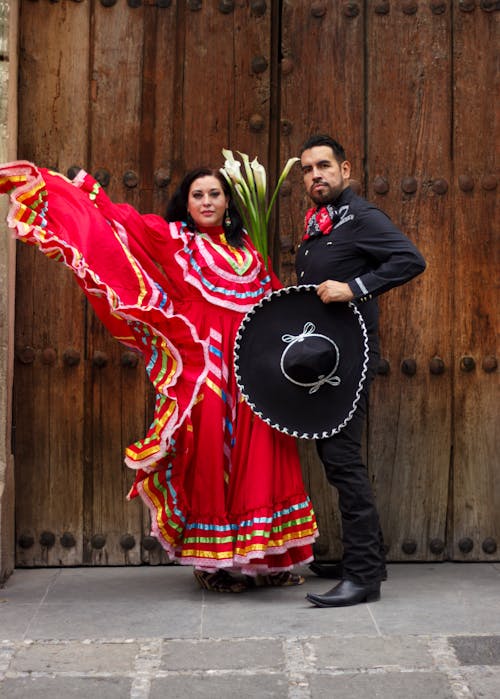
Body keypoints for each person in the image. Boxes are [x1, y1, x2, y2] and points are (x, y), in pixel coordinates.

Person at [0, 162, 318, 592]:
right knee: (207, 455)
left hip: (251, 373)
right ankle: (214, 565)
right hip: (203, 369)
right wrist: (88, 189)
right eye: (198, 195)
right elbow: (123, 223)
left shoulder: (252, 256)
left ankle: (267, 558)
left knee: (262, 457)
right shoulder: (176, 241)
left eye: (215, 194)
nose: (207, 201)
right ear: (186, 205)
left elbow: (276, 306)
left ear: (228, 204)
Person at [295, 134, 426, 607]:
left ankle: (364, 575)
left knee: (343, 461)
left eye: (324, 166)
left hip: (349, 363)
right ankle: (365, 557)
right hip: (326, 363)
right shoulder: (319, 223)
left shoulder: (361, 216)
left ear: (345, 171)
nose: (316, 175)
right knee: (336, 459)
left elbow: (410, 260)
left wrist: (356, 287)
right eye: (308, 169)